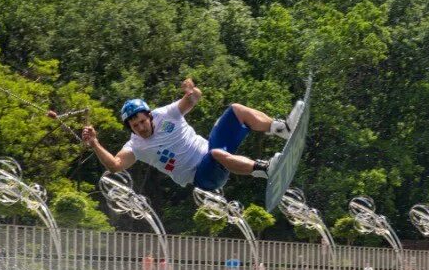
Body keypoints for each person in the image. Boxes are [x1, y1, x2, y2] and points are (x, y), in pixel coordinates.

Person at [82, 78, 304, 192]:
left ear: (149, 116)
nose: (140, 127)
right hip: (203, 178)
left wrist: (191, 91)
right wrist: (94, 143)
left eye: (142, 121)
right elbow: (115, 165)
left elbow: (194, 98)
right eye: (135, 125)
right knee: (217, 153)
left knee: (236, 110)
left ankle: (282, 128)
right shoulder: (136, 146)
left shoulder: (166, 114)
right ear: (130, 127)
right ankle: (266, 170)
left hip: (211, 152)